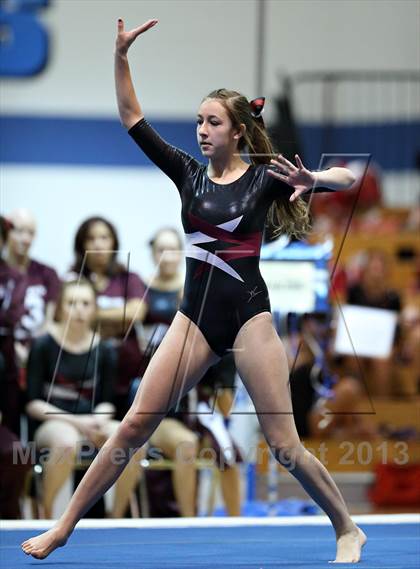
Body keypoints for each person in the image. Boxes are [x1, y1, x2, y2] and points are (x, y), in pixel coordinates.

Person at [22, 19, 366, 563]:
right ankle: (64, 527)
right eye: (199, 121)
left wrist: (314, 181)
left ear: (236, 131)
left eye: (213, 122)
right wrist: (120, 55)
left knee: (283, 446)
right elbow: (132, 117)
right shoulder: (187, 173)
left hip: (250, 316)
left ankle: (347, 527)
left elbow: (350, 178)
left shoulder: (264, 175)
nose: (202, 130)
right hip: (195, 317)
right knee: (135, 423)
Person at [136, 227, 241, 516]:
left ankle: (237, 521)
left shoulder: (204, 307)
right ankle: (188, 520)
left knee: (229, 453)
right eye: (161, 250)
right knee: (186, 446)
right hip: (163, 402)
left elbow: (224, 376)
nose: (167, 257)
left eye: (173, 249)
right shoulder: (146, 302)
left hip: (198, 402)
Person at [25, 279, 143, 518]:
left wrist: (97, 420)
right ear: (60, 308)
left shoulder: (105, 349)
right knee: (67, 442)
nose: (79, 309)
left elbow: (108, 400)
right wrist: (81, 424)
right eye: (72, 303)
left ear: (94, 309)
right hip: (53, 422)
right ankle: (47, 515)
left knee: (134, 442)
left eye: (85, 303)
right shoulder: (42, 345)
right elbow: (32, 402)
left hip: (91, 420)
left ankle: (116, 517)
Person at [69, 216, 147, 419]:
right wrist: (119, 319)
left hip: (128, 369)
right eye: (91, 238)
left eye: (104, 237)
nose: (98, 243)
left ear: (114, 242)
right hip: (86, 371)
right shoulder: (71, 278)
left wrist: (93, 316)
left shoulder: (129, 278)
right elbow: (67, 317)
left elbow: (136, 313)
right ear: (82, 244)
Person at [5, 209, 60, 367]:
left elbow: (49, 321)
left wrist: (32, 349)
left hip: (37, 349)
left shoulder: (47, 273)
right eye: (19, 231)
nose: (26, 239)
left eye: (31, 233)